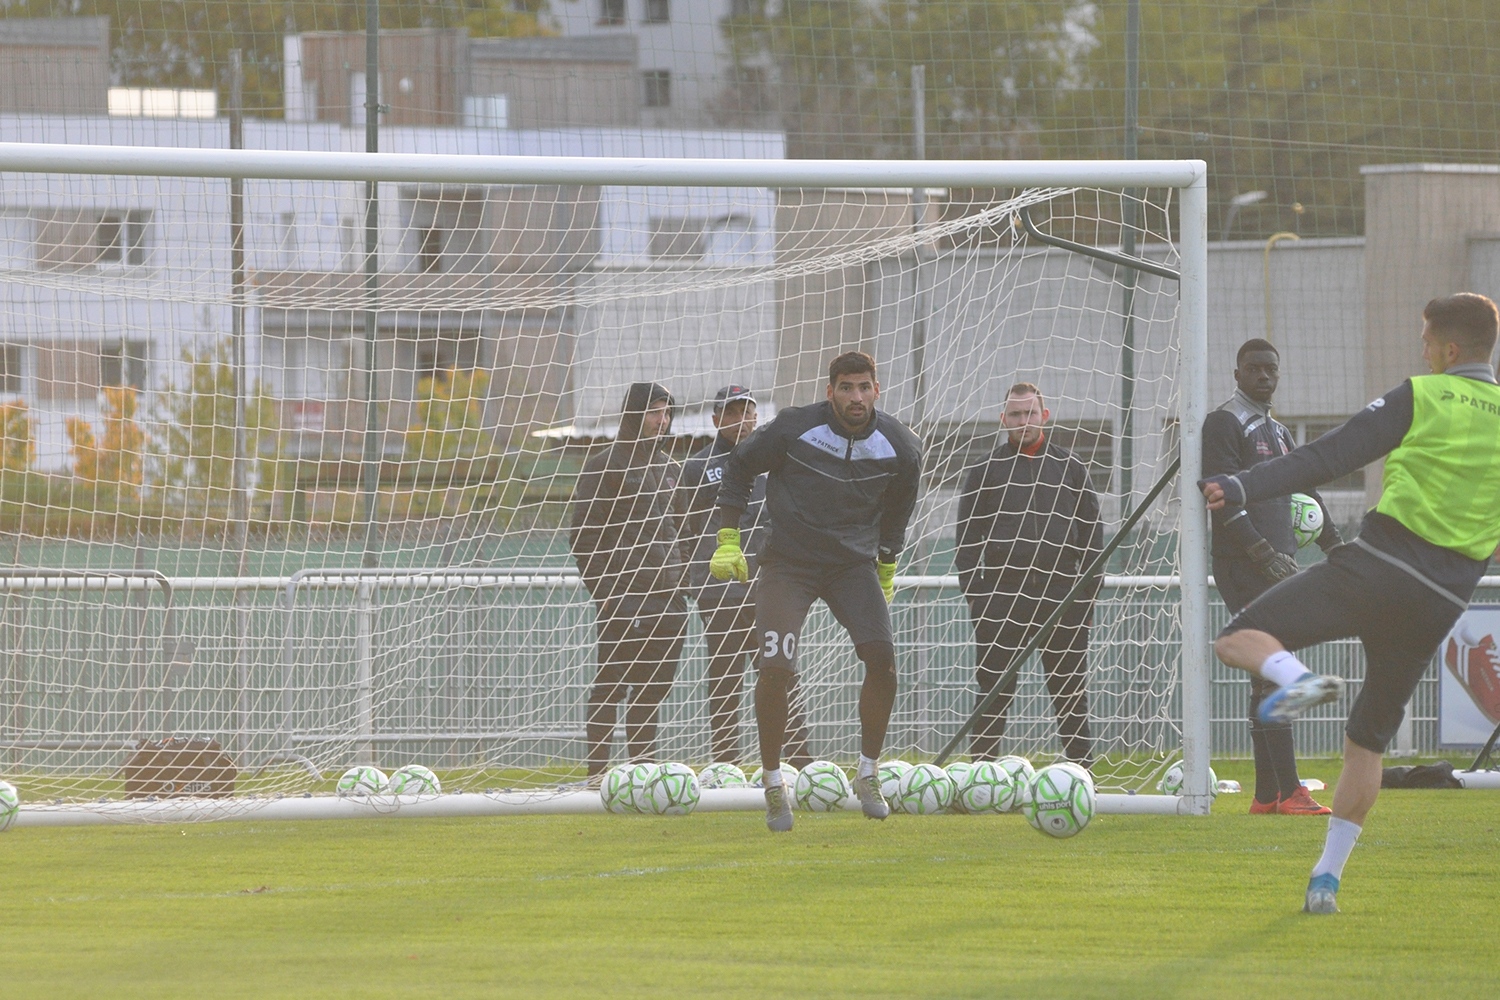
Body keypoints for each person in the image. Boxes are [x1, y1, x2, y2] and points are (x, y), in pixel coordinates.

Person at [1200, 293, 1500, 914]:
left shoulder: (1424, 394)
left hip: (1376, 568)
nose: (1422, 349)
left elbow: (1327, 455)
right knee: (1367, 742)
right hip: (1441, 600)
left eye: (1427, 340)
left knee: (1236, 640)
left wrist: (1239, 485)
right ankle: (1326, 881)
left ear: (1449, 349)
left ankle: (1302, 682)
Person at [709, 351, 923, 831]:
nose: (856, 397)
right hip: (789, 563)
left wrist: (887, 563)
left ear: (876, 390)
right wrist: (728, 537)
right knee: (775, 668)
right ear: (831, 392)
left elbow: (898, 511)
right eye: (846, 388)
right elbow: (739, 466)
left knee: (883, 660)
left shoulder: (901, 446)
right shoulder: (794, 427)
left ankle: (868, 773)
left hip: (852, 566)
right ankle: (772, 783)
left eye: (864, 387)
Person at [1202, 339, 1341, 815]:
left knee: (1266, 672)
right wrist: (1261, 551)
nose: (1263, 376)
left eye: (1270, 369)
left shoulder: (1279, 431)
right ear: (1237, 373)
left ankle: (1267, 795)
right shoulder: (1225, 422)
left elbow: (1306, 489)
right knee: (1275, 665)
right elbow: (1218, 492)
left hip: (1277, 562)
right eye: (1254, 368)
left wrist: (1336, 545)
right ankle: (1291, 791)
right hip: (1242, 563)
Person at [954, 383, 1101, 767]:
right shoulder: (985, 470)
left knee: (1070, 694)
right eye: (1016, 414)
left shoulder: (1071, 467)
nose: (1024, 421)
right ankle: (981, 776)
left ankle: (1084, 777)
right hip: (1003, 596)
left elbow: (1093, 539)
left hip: (1062, 595)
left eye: (1030, 413)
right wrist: (979, 601)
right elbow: (967, 542)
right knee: (993, 693)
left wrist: (1084, 600)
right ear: (1004, 419)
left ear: (1044, 416)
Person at [677, 384, 813, 767]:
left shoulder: (774, 461)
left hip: (770, 589)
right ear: (715, 419)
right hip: (719, 592)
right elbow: (684, 528)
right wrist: (694, 577)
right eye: (731, 412)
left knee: (782, 674)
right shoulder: (696, 467)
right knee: (725, 680)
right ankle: (727, 766)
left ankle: (800, 762)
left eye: (746, 411)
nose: (741, 420)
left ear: (757, 416)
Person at [570, 381, 690, 778]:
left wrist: (682, 583)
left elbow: (683, 532)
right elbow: (583, 535)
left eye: (667, 412)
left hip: (669, 600)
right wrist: (605, 593)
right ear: (634, 414)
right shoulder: (605, 464)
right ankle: (596, 776)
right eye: (654, 411)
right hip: (625, 599)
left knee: (652, 692)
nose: (662, 420)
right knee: (612, 686)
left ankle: (643, 775)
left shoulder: (671, 468)